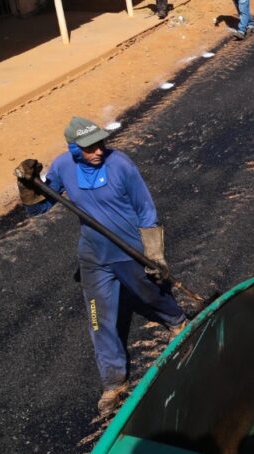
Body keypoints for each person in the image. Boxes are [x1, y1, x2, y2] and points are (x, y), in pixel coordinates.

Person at [14, 117, 187, 415]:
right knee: (99, 319)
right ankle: (114, 382)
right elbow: (41, 207)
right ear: (73, 149)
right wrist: (28, 186)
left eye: (101, 143)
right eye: (90, 147)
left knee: (150, 294)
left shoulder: (120, 165)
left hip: (128, 249)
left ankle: (176, 321)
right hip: (93, 256)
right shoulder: (63, 167)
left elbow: (145, 208)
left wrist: (155, 253)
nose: (98, 151)